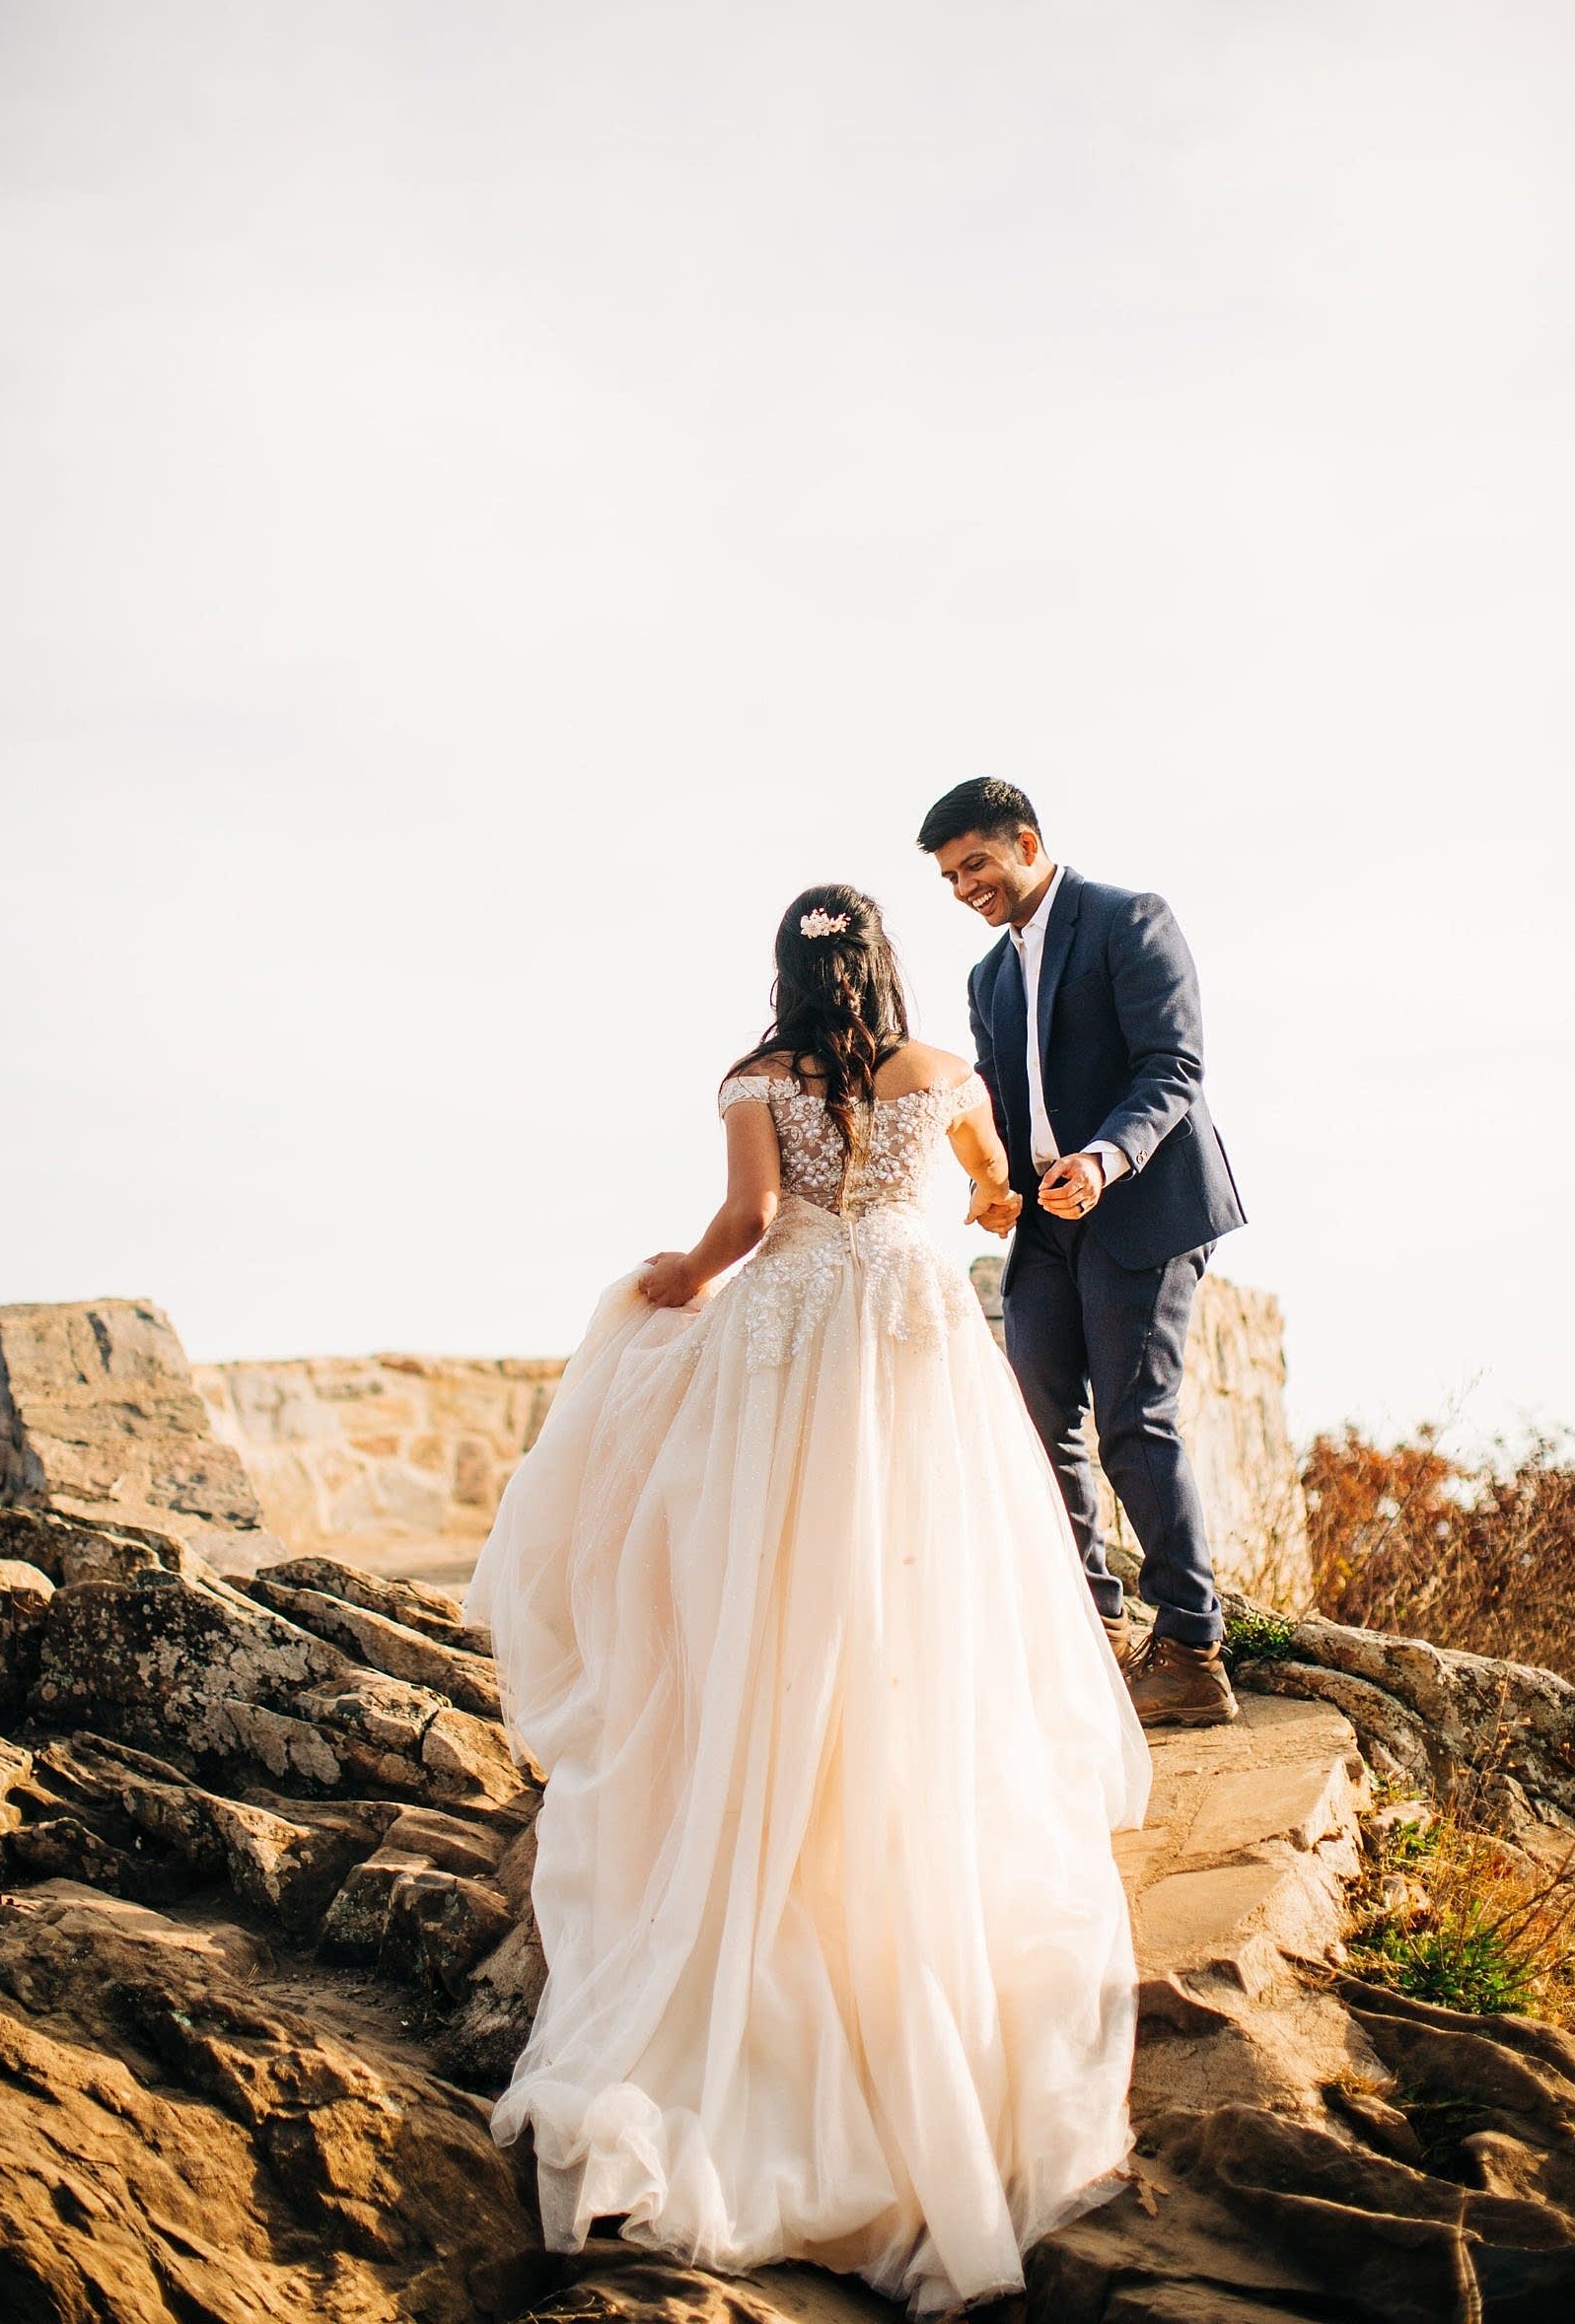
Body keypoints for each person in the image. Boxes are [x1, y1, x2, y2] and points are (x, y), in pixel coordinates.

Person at [465, 883, 1150, 2316]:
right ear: (887, 966)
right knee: (920, 1569)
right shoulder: (941, 1074)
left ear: (783, 971)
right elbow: (987, 1189)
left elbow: (749, 1216)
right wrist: (969, 1196)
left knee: (753, 1569)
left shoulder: (757, 1078)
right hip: (904, 1335)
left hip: (787, 1337)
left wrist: (678, 1277)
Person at [918, 776, 1247, 1730]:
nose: (962, 889)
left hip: (1141, 1205)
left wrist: (1103, 1161)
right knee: (1034, 1420)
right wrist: (995, 1186)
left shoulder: (1125, 919)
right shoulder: (984, 978)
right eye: (947, 878)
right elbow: (1006, 1109)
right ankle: (1095, 1633)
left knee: (1133, 1422)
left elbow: (1172, 1065)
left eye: (972, 864)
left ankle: (1189, 1648)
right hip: (1046, 1227)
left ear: (1024, 841)